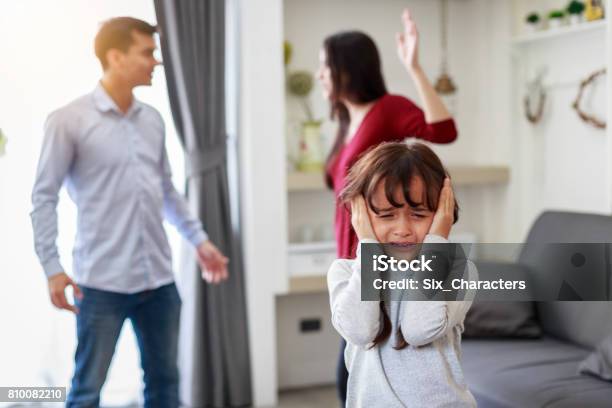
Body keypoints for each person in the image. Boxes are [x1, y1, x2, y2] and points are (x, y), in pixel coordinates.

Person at [30, 17, 228, 408]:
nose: (156, 62)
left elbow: (167, 191)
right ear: (115, 56)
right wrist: (52, 267)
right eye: (148, 53)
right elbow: (43, 198)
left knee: (165, 385)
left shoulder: (153, 121)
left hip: (158, 281)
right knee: (87, 389)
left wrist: (200, 241)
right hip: (101, 283)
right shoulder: (68, 120)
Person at [317, 9, 458, 404]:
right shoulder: (347, 120)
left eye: (325, 66)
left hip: (383, 252)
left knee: (368, 351)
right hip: (356, 252)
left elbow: (443, 130)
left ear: (347, 68)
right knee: (356, 349)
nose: (320, 75)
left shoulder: (388, 108)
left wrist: (413, 67)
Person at [327, 141, 477, 407]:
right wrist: (369, 248)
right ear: (361, 215)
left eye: (418, 214)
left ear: (441, 213)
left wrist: (436, 242)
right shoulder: (345, 273)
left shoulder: (459, 270)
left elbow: (419, 330)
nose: (403, 229)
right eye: (386, 215)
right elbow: (361, 331)